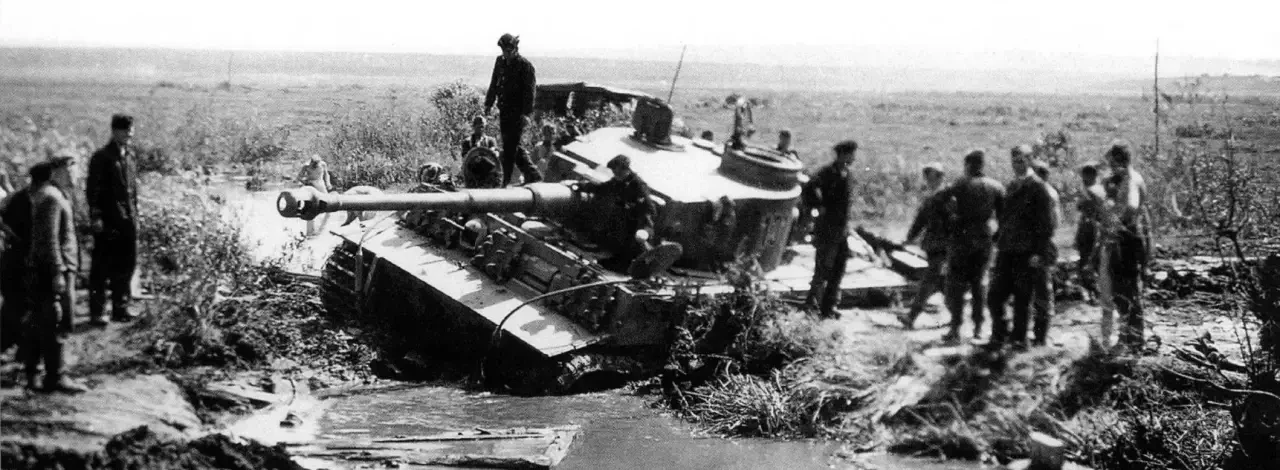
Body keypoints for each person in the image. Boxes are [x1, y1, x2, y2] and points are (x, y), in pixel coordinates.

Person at [25, 156, 86, 393]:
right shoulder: (51, 197)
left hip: (55, 268)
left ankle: (39, 374)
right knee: (56, 321)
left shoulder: (54, 195)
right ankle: (55, 376)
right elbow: (49, 240)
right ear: (57, 172)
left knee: (46, 321)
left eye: (75, 170)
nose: (74, 176)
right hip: (52, 270)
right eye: (69, 171)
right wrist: (57, 271)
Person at [987, 145, 1057, 351]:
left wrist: (1038, 252)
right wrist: (997, 238)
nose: (1017, 165)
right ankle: (1000, 334)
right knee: (995, 296)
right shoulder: (1011, 186)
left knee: (1022, 298)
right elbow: (1005, 218)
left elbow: (1046, 225)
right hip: (1007, 249)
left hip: (1026, 251)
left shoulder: (1038, 187)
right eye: (1014, 161)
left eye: (1021, 161)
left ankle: (1019, 340)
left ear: (1030, 161)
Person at [938, 151, 1005, 342]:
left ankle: (955, 328)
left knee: (956, 284)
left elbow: (938, 201)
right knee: (980, 284)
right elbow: (1004, 217)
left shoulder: (959, 184)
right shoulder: (996, 187)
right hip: (984, 238)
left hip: (961, 238)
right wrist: (995, 237)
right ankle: (978, 328)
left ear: (967, 164)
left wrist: (950, 220)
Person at [86, 114, 140, 325]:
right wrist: (96, 217)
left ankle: (120, 307)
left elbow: (132, 192)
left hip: (128, 220)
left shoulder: (130, 156)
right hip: (109, 221)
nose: (129, 134)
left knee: (127, 265)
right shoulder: (102, 157)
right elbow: (93, 190)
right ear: (115, 131)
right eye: (125, 130)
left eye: (131, 130)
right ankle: (98, 311)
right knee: (101, 267)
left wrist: (136, 216)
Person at [1099, 142, 1151, 351]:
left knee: (1128, 291)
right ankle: (1127, 337)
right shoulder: (1123, 180)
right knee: (1121, 291)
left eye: (1112, 163)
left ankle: (1134, 341)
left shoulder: (1131, 180)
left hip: (1128, 240)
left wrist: (1116, 224)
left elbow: (1131, 206)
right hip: (1124, 239)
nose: (1111, 167)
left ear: (1120, 161)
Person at [800, 140, 858, 319]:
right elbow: (809, 187)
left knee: (838, 269)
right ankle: (811, 307)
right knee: (822, 269)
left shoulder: (846, 173)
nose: (854, 158)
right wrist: (819, 205)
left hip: (841, 230)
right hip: (827, 229)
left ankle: (828, 307)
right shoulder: (827, 173)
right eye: (851, 154)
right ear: (843, 155)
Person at [576, 155, 655, 270]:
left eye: (617, 172)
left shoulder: (638, 186)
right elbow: (602, 188)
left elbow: (649, 210)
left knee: (630, 245)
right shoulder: (618, 182)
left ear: (625, 170)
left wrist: (645, 230)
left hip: (635, 225)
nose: (615, 174)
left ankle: (624, 262)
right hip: (620, 221)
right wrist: (581, 186)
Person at [484, 33, 543, 187]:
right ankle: (533, 175)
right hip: (504, 110)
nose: (506, 54)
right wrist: (488, 103)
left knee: (510, 147)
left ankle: (505, 181)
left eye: (509, 51)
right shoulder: (500, 62)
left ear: (515, 49)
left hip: (518, 113)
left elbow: (530, 93)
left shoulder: (525, 66)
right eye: (504, 51)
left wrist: (526, 114)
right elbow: (494, 83)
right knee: (512, 145)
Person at [899, 163, 952, 329]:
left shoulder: (948, 197)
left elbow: (954, 222)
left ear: (940, 177)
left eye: (932, 176)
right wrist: (909, 238)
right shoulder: (931, 197)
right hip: (933, 245)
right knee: (942, 283)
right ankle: (957, 317)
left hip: (943, 246)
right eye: (927, 176)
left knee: (930, 280)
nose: (928, 180)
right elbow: (920, 220)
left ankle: (911, 316)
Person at [1, 171, 34, 354]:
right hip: (17, 254)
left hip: (14, 252)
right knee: (18, 302)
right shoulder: (21, 197)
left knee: (15, 302)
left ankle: (12, 343)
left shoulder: (15, 196)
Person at [1074, 163, 1106, 302]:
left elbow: (1082, 209)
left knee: (1086, 261)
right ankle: (1099, 291)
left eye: (1084, 176)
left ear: (1088, 176)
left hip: (1089, 229)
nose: (1082, 179)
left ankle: (1093, 291)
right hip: (1099, 229)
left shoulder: (1089, 192)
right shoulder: (1101, 189)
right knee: (1098, 260)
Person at [297, 155, 332, 237]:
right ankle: (310, 232)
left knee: (329, 207)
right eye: (314, 163)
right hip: (311, 186)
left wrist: (328, 183)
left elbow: (326, 174)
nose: (316, 165)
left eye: (317, 163)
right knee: (311, 209)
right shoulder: (306, 166)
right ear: (311, 162)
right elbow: (299, 177)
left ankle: (321, 230)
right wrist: (305, 182)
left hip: (321, 185)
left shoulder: (323, 164)